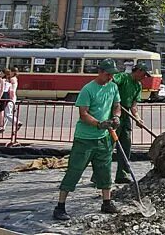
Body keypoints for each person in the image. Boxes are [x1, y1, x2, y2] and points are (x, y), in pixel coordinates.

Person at [53, 59, 122, 221]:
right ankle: (60, 206)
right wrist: (99, 124)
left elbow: (116, 106)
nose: (110, 77)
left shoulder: (112, 87)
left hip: (104, 138)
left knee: (105, 171)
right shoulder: (88, 90)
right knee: (74, 170)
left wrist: (116, 117)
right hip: (85, 139)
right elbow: (83, 115)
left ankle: (107, 202)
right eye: (107, 74)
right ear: (100, 72)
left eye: (112, 74)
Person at [111, 61, 149, 184]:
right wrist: (116, 101)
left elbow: (134, 106)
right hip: (113, 112)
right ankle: (99, 176)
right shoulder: (123, 77)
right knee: (108, 145)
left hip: (125, 114)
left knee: (126, 144)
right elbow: (111, 83)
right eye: (143, 74)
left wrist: (138, 118)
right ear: (138, 71)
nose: (144, 77)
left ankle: (122, 175)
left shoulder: (138, 85)